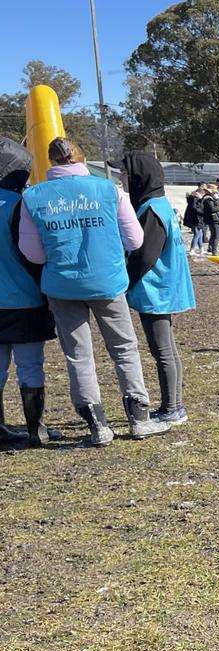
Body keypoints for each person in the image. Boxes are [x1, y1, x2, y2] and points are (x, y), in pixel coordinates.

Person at [17, 137, 170, 445]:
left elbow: (32, 253)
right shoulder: (109, 190)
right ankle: (139, 417)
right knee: (124, 349)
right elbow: (135, 241)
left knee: (78, 355)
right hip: (108, 282)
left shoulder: (33, 196)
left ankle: (96, 423)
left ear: (50, 161)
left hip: (61, 285)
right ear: (82, 158)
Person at [121, 152, 196, 425]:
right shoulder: (158, 204)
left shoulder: (151, 210)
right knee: (168, 350)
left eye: (125, 173)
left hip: (156, 289)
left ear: (139, 177)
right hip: (162, 287)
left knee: (162, 350)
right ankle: (173, 405)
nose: (122, 178)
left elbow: (145, 256)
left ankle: (172, 408)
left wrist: (123, 282)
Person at [0, 138, 57, 446]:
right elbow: (32, 253)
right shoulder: (21, 204)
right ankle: (36, 427)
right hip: (24, 299)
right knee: (30, 365)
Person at [201, 184, 219, 254]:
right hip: (214, 219)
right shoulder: (209, 199)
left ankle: (211, 248)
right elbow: (212, 209)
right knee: (216, 236)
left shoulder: (207, 198)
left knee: (213, 235)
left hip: (212, 219)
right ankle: (214, 251)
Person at [182, 190, 204, 255]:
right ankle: (192, 249)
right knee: (197, 234)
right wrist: (202, 212)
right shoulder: (194, 199)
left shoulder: (193, 199)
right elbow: (195, 209)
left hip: (197, 219)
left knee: (200, 234)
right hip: (195, 219)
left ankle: (201, 249)